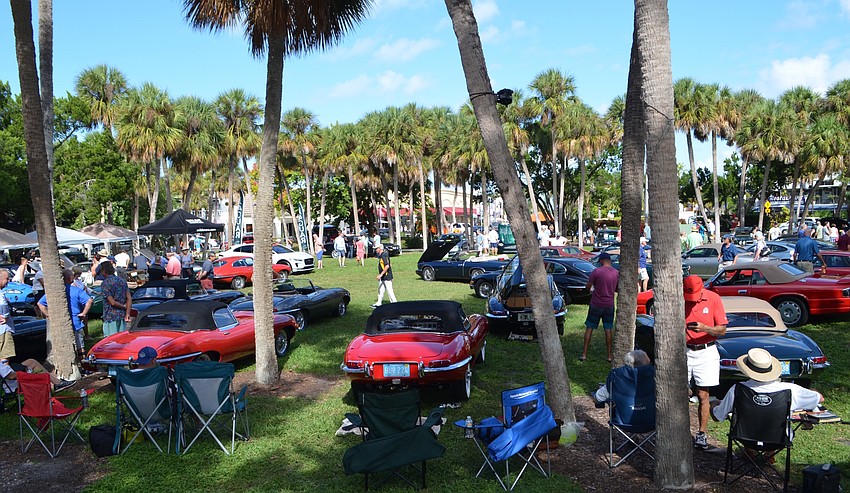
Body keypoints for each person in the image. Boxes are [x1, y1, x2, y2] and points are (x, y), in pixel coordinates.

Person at [711, 348, 823, 432]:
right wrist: (813, 391)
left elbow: (717, 417)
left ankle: (750, 452)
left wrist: (713, 404)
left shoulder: (737, 389)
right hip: (779, 439)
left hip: (744, 436)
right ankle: (768, 454)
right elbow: (820, 399)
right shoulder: (790, 389)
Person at [682, 274, 727, 450]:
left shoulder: (713, 298)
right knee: (680, 393)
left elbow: (722, 330)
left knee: (703, 394)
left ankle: (701, 433)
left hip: (706, 350)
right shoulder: (680, 297)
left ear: (702, 289)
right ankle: (680, 430)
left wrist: (704, 328)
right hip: (684, 349)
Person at [37, 269, 93, 360]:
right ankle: (82, 365)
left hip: (61, 324)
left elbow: (40, 304)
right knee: (80, 346)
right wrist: (83, 313)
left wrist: (49, 315)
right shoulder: (76, 291)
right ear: (69, 278)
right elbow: (89, 300)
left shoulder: (55, 293)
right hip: (75, 322)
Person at [580, 252, 618, 362]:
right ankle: (609, 356)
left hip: (596, 304)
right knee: (608, 329)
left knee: (589, 328)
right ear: (610, 260)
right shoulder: (616, 273)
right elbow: (617, 288)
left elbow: (588, 286)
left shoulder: (596, 271)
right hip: (609, 305)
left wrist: (592, 289)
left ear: (601, 261)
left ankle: (584, 354)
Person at [1, 358, 76, 393]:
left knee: (31, 362)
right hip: (13, 384)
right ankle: (57, 383)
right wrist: (27, 372)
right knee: (35, 368)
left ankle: (56, 383)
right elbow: (11, 376)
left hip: (10, 375)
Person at [99, 261, 132, 337]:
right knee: (122, 339)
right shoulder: (122, 281)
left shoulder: (105, 283)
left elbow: (112, 302)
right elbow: (129, 298)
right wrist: (127, 313)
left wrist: (124, 306)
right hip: (122, 315)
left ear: (104, 271)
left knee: (111, 341)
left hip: (110, 316)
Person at [0, 270, 16, 364]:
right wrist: (5, 316)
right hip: (3, 329)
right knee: (5, 356)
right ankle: (6, 378)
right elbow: (2, 304)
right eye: (6, 279)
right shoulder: (0, 295)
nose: (8, 281)